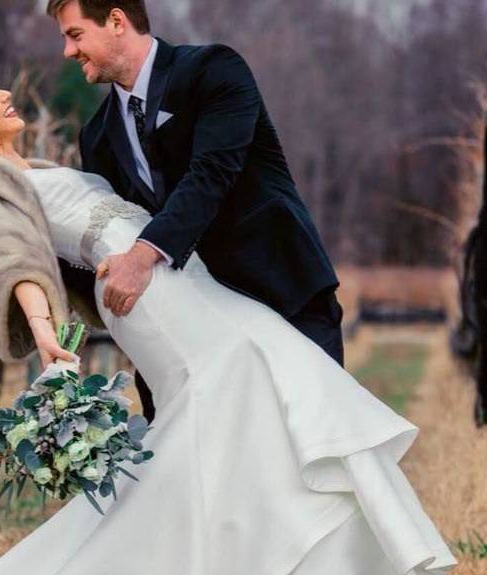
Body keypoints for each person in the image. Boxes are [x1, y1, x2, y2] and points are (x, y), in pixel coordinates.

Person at [0, 72, 455, 575]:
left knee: (266, 386)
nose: (4, 95)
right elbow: (10, 258)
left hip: (180, 277)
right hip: (148, 298)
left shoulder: (32, 166)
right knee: (244, 376)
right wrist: (44, 334)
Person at [49, 0, 344, 423]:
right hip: (186, 322)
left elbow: (211, 175)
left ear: (116, 21)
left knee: (315, 440)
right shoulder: (96, 136)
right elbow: (109, 226)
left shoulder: (214, 70)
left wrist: (141, 256)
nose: (68, 52)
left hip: (280, 290)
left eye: (74, 35)